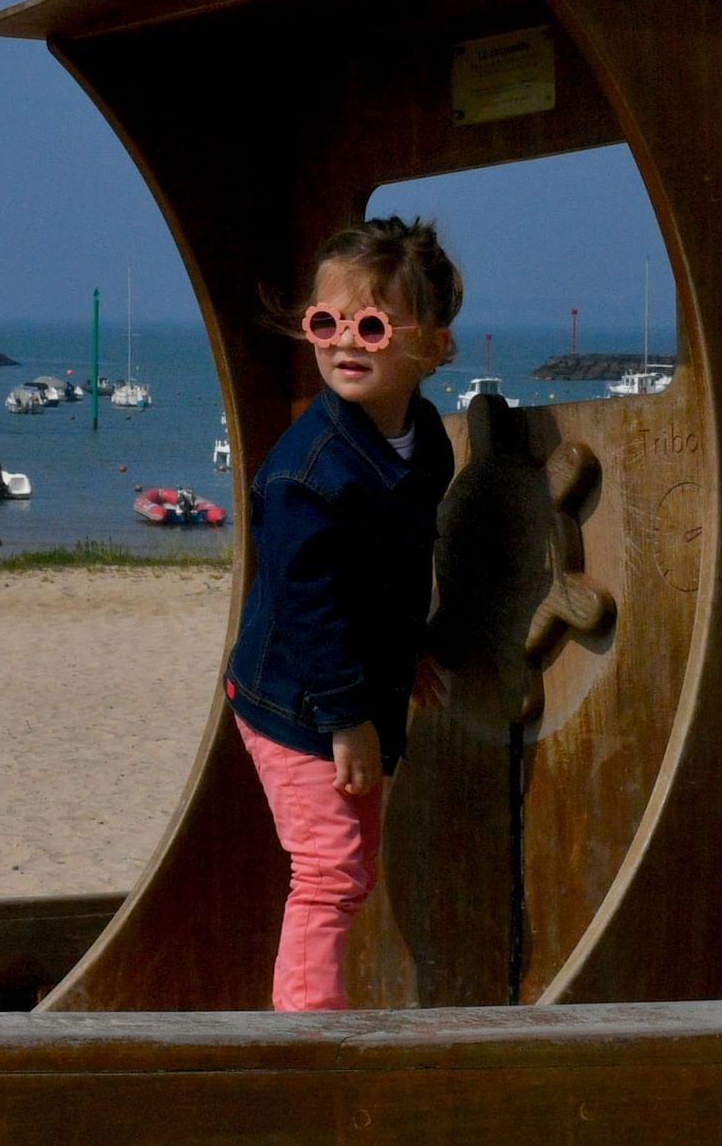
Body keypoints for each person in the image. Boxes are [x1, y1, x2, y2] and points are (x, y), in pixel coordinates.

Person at [223, 215, 461, 1011]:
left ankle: (315, 1017)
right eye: (326, 323)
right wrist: (349, 716)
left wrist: (409, 646)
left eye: (372, 324)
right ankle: (306, 1043)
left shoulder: (426, 442)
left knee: (349, 864)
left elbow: (399, 563)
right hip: (295, 697)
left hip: (347, 686)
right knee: (329, 871)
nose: (344, 343)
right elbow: (306, 605)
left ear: (432, 346)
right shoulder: (308, 474)